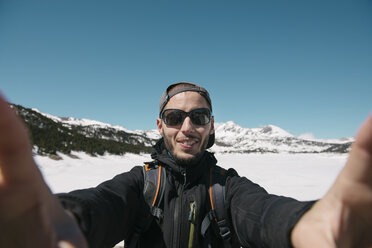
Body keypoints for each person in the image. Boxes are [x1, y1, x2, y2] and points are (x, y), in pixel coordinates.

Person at [0, 82, 371, 248]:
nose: (187, 128)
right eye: (176, 117)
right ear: (160, 125)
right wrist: (64, 218)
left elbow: (262, 212)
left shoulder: (228, 188)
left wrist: (303, 224)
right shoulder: (141, 183)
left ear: (212, 126)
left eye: (199, 116)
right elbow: (105, 203)